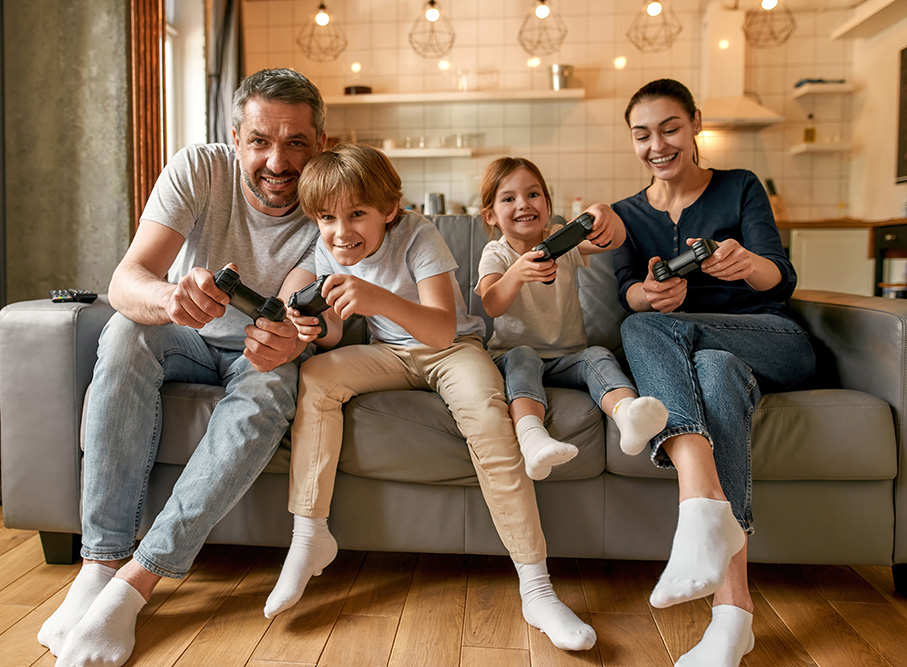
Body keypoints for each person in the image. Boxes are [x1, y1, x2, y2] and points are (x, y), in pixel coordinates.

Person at [39, 68, 328, 667]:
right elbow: (127, 279)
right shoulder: (199, 167)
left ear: (320, 143)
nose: (278, 162)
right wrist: (170, 299)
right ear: (236, 137)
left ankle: (134, 585)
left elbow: (310, 296)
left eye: (296, 142)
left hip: (263, 346)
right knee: (125, 332)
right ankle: (99, 566)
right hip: (190, 332)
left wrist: (295, 338)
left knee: (270, 390)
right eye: (261, 142)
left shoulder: (334, 191)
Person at [264, 142, 598, 652]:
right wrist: (315, 328)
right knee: (316, 377)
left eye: (357, 214)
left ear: (388, 211)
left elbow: (442, 328)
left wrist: (376, 298)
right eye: (327, 218)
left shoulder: (419, 232)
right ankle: (310, 537)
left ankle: (537, 588)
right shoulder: (327, 246)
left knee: (490, 422)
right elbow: (333, 331)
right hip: (390, 354)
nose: (340, 231)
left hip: (450, 349)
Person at [611, 78, 815, 667]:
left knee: (640, 332)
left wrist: (748, 265)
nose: (657, 145)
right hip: (710, 356)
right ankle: (733, 614)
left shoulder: (740, 187)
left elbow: (781, 276)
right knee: (711, 367)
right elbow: (629, 292)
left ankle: (700, 510)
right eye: (642, 135)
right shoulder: (627, 214)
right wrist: (651, 295)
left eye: (670, 128)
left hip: (773, 340)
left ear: (695, 124)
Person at [474, 157, 668, 480]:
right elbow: (492, 304)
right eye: (509, 198)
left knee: (598, 355)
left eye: (533, 195)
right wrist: (517, 272)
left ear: (548, 204)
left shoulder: (562, 242)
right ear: (490, 215)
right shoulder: (497, 254)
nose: (524, 204)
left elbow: (614, 240)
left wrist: (604, 214)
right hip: (514, 356)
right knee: (522, 358)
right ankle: (533, 439)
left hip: (567, 357)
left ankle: (627, 416)